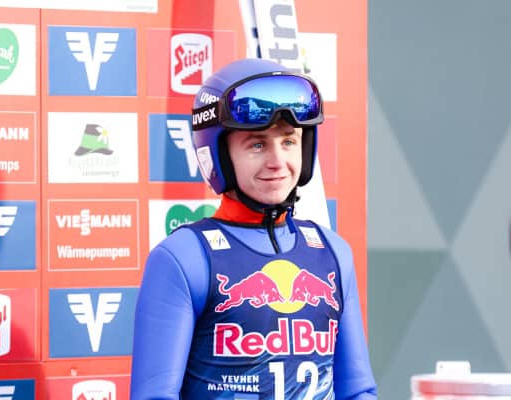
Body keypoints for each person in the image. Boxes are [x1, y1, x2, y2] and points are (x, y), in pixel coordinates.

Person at [131, 58, 377, 399]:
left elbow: (358, 391)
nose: (278, 162)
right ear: (218, 155)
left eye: (289, 142)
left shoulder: (333, 252)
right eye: (257, 145)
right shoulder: (183, 258)